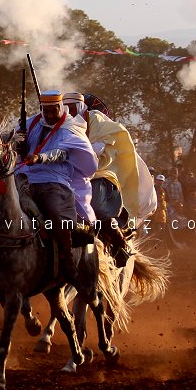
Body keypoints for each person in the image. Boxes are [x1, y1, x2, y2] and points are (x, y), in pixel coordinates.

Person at [63, 92, 157, 266]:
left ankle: (119, 245)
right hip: (65, 173)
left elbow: (96, 150)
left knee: (97, 206)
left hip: (100, 173)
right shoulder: (62, 122)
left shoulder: (98, 122)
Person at [16, 90, 97, 285]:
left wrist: (40, 157)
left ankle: (67, 262)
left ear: (60, 107)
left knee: (55, 214)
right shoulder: (32, 123)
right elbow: (11, 137)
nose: (51, 115)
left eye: (54, 110)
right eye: (47, 111)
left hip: (53, 180)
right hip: (24, 176)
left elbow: (61, 153)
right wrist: (13, 140)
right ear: (42, 109)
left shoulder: (70, 128)